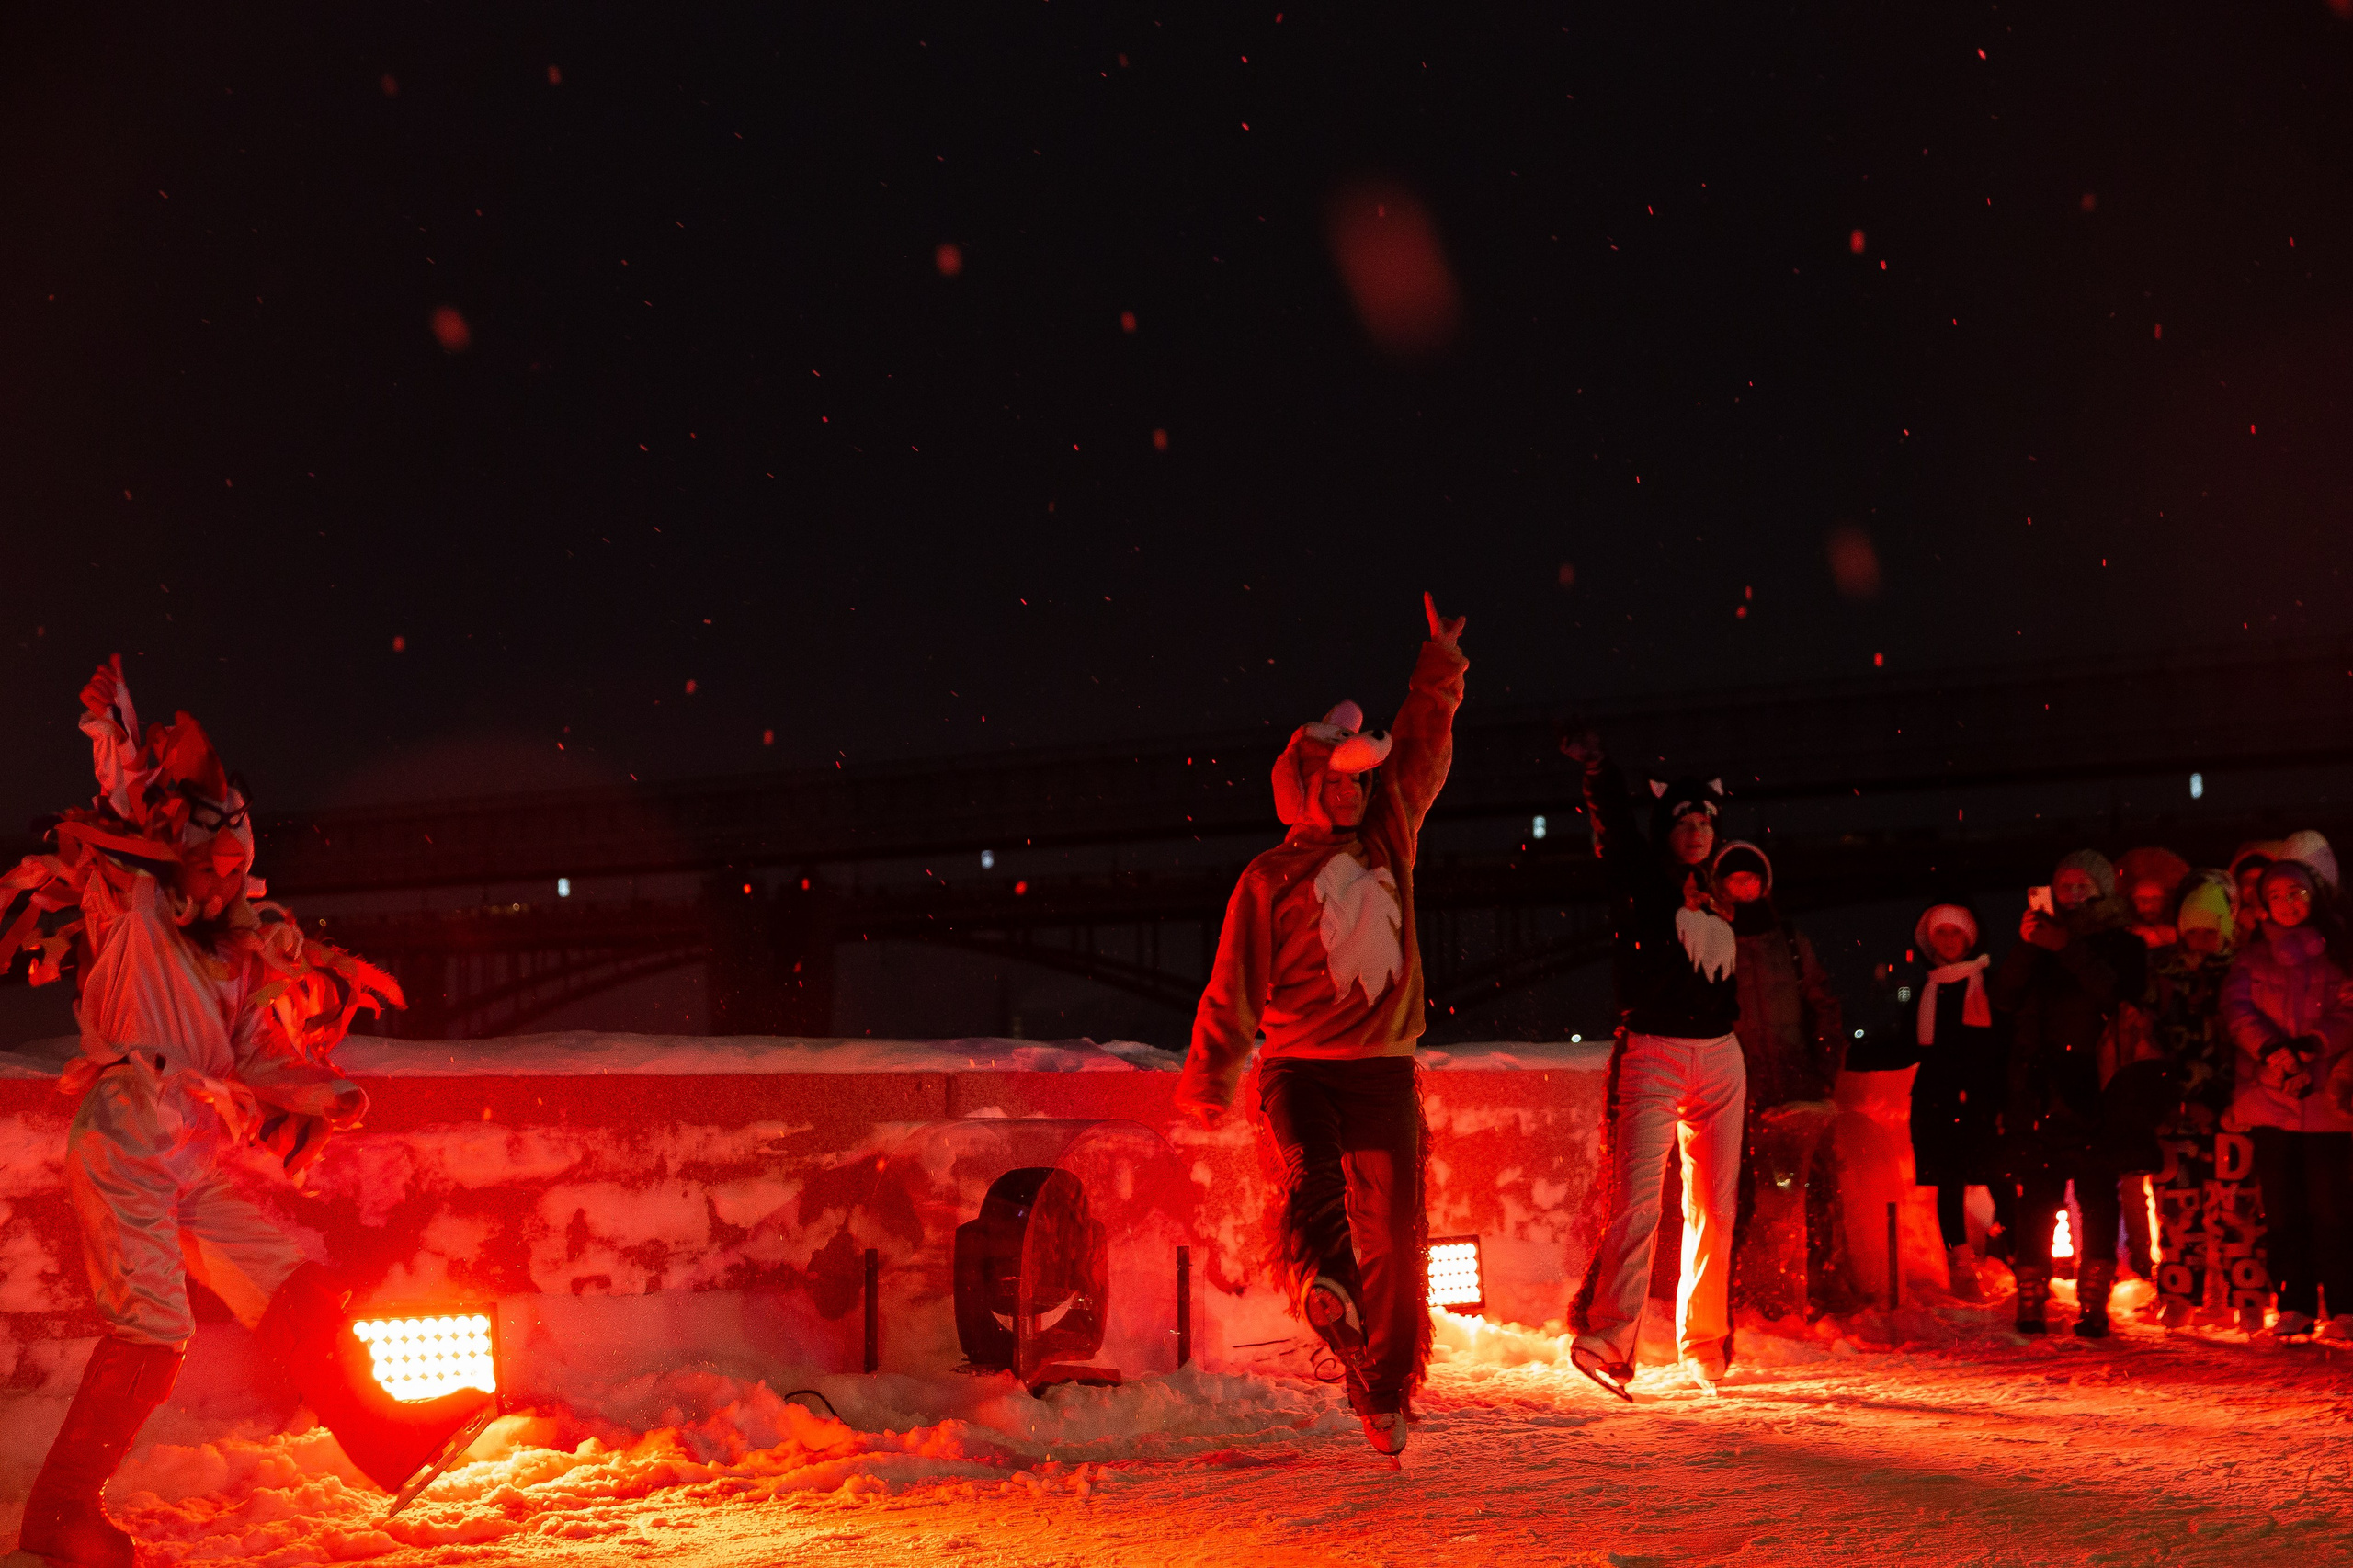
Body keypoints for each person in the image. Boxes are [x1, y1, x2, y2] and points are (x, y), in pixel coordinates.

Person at [0, 660, 490, 1568]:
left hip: (183, 1148)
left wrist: (318, 1093)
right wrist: (117, 736)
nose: (224, 878)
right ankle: (60, 1517)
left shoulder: (232, 958)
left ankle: (390, 1443)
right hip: (123, 1133)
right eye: (209, 861)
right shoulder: (135, 911)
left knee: (288, 1282)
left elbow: (253, 1055)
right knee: (151, 1330)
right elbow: (118, 819)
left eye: (238, 864)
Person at [1176, 595, 1467, 1457]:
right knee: (1315, 1198)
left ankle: (1384, 1386)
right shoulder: (1267, 878)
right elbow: (1234, 987)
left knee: (1396, 1234)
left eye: (1356, 782)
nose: (1348, 795)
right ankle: (1329, 1296)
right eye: (1332, 782)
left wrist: (1439, 663)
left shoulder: (1389, 838)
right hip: (1299, 1067)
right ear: (1304, 785)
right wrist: (1209, 1079)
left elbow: (1419, 749)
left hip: (1383, 1070)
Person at [1558, 733, 1743, 1398]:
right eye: (1684, 821)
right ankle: (1610, 1339)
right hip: (1653, 1051)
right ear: (1666, 827)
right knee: (1637, 1203)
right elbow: (1614, 826)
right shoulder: (1639, 876)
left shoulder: (1731, 887)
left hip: (1723, 1054)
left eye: (1705, 822)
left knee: (1715, 1209)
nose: (1695, 831)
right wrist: (1602, 773)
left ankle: (1708, 1342)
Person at [1991, 850, 2151, 1338]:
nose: (2073, 895)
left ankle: (2094, 1303)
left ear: (2102, 890)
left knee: (2097, 1194)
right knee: (2037, 1196)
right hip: (2040, 1086)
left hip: (2095, 1083)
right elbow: (2004, 998)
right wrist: (2028, 946)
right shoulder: (2037, 943)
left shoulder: (2121, 944)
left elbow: (2117, 994)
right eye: (2065, 886)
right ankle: (2032, 1300)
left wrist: (2067, 946)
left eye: (2084, 886)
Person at [2220, 842, 2353, 1340]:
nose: (2287, 903)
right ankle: (2294, 1304)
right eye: (2276, 895)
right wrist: (2273, 1050)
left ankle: (2344, 1305)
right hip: (2270, 1098)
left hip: (2327, 1103)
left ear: (2313, 896)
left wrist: (2313, 1045)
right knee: (2283, 1210)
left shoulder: (2338, 954)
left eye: (2296, 892)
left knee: (2332, 1208)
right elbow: (2237, 1011)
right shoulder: (2253, 959)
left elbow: (2348, 1009)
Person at [1851, 904, 2013, 1301]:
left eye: (1955, 933)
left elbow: (2005, 1044)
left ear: (1969, 938)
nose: (1949, 941)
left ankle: (2014, 1255)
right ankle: (1961, 1266)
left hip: (1982, 1096)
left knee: (2001, 1176)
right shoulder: (1926, 989)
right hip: (1937, 1097)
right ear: (1929, 942)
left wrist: (2006, 1096)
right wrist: (1850, 1057)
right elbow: (1907, 1047)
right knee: (1949, 1181)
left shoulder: (1989, 984)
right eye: (1940, 933)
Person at [1710, 841, 1843, 1308]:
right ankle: (1735, 1292)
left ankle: (1825, 1288)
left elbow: (1823, 1007)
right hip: (1737, 1089)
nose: (1743, 888)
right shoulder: (1711, 941)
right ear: (1720, 886)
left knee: (1818, 1191)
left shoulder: (1789, 941)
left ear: (1764, 884)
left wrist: (1824, 1076)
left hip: (1798, 1082)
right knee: (1736, 1192)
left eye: (1751, 880)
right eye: (1734, 880)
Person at [2148, 872, 2263, 1327]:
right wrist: (2170, 1094)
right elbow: (2152, 1043)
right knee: (2178, 1205)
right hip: (2177, 1112)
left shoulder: (2242, 973)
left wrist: (2223, 1096)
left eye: (2209, 931)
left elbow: (2242, 1040)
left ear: (2224, 931)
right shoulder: (2162, 979)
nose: (2200, 940)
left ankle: (2248, 1292)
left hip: (2233, 1107)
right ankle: (2179, 1292)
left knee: (2238, 1204)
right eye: (2192, 931)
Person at [2116, 846, 2192, 950]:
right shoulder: (2119, 927)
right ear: (2131, 899)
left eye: (2155, 898)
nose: (2148, 905)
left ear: (2166, 899)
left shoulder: (2185, 926)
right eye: (2140, 899)